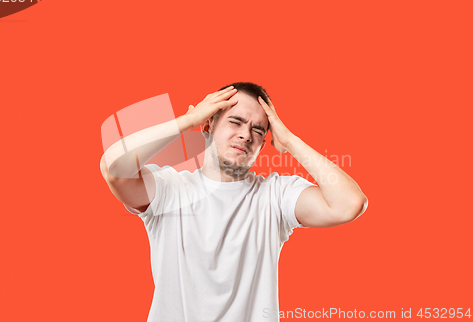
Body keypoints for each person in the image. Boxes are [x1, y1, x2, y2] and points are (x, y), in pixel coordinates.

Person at [99, 82, 368, 322]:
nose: (246, 135)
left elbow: (350, 204)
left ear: (263, 144)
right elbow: (114, 168)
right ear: (208, 125)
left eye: (258, 130)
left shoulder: (275, 195)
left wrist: (291, 141)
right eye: (235, 122)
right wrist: (186, 120)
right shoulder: (170, 190)